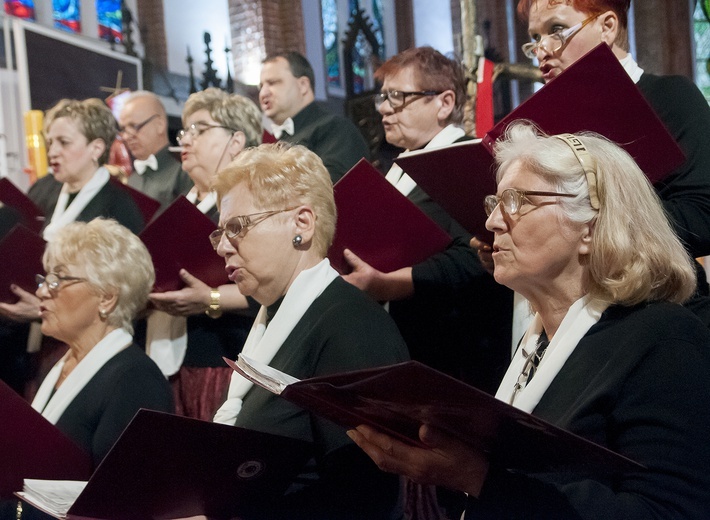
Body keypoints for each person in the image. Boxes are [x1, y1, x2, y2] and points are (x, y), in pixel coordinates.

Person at [349, 122, 710, 519]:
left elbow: (669, 512)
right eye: (494, 204)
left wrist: (478, 476)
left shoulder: (665, 340)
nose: (492, 223)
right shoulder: (536, 341)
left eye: (517, 201)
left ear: (589, 226)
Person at [211, 143, 409, 520]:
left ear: (302, 223)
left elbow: (366, 500)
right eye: (219, 232)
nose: (222, 246)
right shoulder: (271, 321)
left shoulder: (350, 325)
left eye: (237, 227)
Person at [344, 47, 513, 394]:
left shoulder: (469, 160)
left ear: (444, 102)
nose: (385, 109)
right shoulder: (398, 165)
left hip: (457, 354)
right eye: (383, 97)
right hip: (403, 339)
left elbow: (474, 258)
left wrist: (387, 284)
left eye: (398, 97)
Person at [0, 98, 145, 397]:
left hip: (85, 346)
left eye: (64, 142)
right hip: (24, 341)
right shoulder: (43, 188)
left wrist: (39, 309)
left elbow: (121, 292)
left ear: (96, 148)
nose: (52, 151)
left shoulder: (120, 205)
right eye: (50, 141)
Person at [141, 88, 260, 421]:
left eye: (201, 129)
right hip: (166, 357)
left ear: (236, 141)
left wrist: (210, 298)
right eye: (185, 131)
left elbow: (274, 284)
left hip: (222, 358)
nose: (187, 139)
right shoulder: (176, 207)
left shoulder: (252, 202)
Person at [32, 218, 173, 465]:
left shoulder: (136, 381)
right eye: (45, 279)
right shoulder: (56, 365)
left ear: (106, 298)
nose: (42, 291)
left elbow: (122, 494)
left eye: (59, 280)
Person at [259, 51, 370, 182]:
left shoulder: (335, 128)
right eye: (261, 86)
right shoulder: (279, 138)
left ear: (303, 85)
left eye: (273, 83)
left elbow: (328, 191)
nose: (263, 93)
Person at [118, 90, 193, 210]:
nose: (126, 136)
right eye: (123, 129)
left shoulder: (184, 171)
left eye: (134, 126)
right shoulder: (132, 180)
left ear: (160, 125)